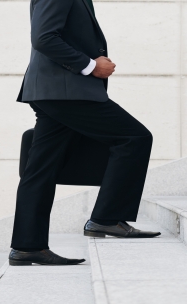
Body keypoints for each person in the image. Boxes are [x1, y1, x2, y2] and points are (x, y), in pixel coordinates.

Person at [9, 0, 160, 266]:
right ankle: (106, 219)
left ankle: (27, 246)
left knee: (41, 168)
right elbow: (44, 38)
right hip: (66, 92)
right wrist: (90, 65)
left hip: (56, 91)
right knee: (134, 137)